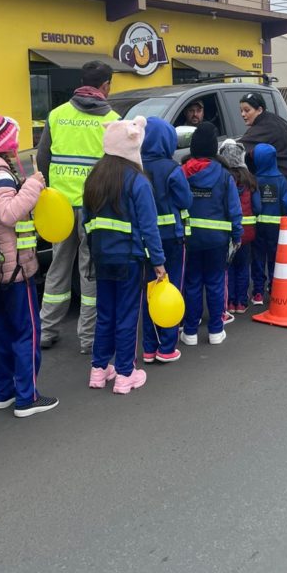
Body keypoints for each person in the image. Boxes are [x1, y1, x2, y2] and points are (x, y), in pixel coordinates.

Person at [0, 109, 58, 417]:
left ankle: (3, 393)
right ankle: (27, 398)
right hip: (15, 268)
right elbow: (7, 214)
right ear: (5, 142)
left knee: (0, 332)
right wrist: (32, 186)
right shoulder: (0, 174)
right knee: (25, 332)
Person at [36, 61, 119, 353]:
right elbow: (116, 168)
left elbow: (43, 159)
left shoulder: (57, 115)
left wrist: (51, 193)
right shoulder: (113, 120)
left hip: (60, 208)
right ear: (106, 85)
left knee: (58, 267)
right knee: (89, 271)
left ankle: (46, 331)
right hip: (93, 209)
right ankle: (89, 339)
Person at [82, 117, 166, 393]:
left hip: (101, 257)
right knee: (127, 315)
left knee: (105, 313)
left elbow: (86, 221)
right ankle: (125, 374)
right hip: (129, 258)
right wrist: (158, 262)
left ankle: (98, 369)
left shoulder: (94, 177)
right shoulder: (137, 181)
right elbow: (149, 227)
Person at [238, 92, 287, 291]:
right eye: (241, 110)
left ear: (260, 110)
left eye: (247, 110)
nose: (243, 114)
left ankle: (284, 283)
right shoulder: (275, 121)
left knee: (286, 236)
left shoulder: (263, 127)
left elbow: (238, 148)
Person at [180, 123, 243, 346]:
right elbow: (234, 209)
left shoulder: (182, 172)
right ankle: (216, 330)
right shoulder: (224, 176)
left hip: (190, 238)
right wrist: (237, 235)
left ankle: (190, 332)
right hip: (218, 239)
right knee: (216, 283)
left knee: (192, 283)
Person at [140, 117, 192, 364]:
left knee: (150, 291)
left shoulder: (136, 165)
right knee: (171, 290)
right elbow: (185, 200)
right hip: (172, 237)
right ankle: (167, 347)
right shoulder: (172, 168)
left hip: (145, 240)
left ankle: (149, 348)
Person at [218, 140, 260, 315]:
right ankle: (241, 302)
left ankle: (229, 302)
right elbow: (258, 207)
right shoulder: (250, 180)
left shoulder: (223, 178)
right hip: (248, 232)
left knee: (229, 267)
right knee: (243, 267)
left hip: (228, 231)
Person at [251, 143, 287, 305]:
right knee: (275, 257)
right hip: (277, 227)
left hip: (258, 225)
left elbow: (254, 204)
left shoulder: (255, 179)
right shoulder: (281, 180)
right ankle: (275, 288)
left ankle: (258, 293)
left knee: (258, 258)